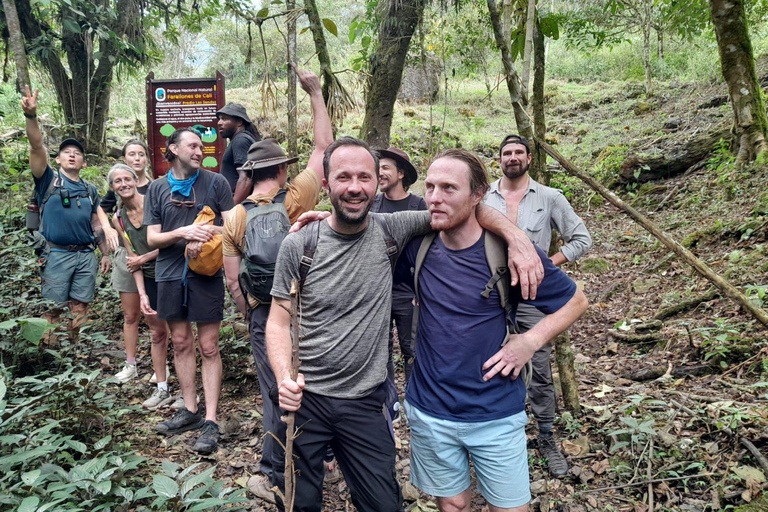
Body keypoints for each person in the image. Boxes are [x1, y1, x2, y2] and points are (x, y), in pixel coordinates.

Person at [265, 137, 545, 512]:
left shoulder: (391, 229)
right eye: (343, 177)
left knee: (383, 505)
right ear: (326, 185)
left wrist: (515, 235)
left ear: (377, 182)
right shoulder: (300, 245)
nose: (354, 187)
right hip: (305, 398)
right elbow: (278, 319)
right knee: (299, 502)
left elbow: (462, 207)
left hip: (365, 401)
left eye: (364, 177)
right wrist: (283, 376)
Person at [395, 149, 589, 512]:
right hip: (430, 407)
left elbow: (576, 301)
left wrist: (530, 341)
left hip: (494, 411)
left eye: (449, 188)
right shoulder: (416, 246)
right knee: (451, 505)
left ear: (477, 194)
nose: (435, 197)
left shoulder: (508, 252)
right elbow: (360, 228)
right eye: (431, 186)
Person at [222, 66, 332, 502]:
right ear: (283, 171)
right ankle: (316, 452)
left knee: (276, 387)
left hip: (264, 311)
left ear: (250, 173)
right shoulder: (298, 196)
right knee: (311, 379)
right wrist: (316, 92)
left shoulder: (235, 216)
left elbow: (233, 281)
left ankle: (274, 470)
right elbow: (324, 146)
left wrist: (251, 313)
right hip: (304, 307)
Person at [484, 134, 592, 477]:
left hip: (532, 295)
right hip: (490, 291)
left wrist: (547, 265)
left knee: (538, 366)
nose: (512, 157)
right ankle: (492, 431)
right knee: (488, 358)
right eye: (506, 153)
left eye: (518, 152)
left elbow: (582, 239)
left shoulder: (549, 196)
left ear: (529, 158)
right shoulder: (484, 196)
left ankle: (546, 435)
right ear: (498, 159)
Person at [144, 127, 234, 454]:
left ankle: (210, 419)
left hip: (205, 274)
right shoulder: (156, 188)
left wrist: (207, 235)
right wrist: (184, 232)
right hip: (168, 274)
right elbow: (152, 237)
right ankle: (190, 409)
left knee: (209, 346)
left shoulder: (216, 183)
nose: (199, 151)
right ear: (173, 149)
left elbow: (235, 227)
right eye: (192, 145)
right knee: (180, 342)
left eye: (202, 146)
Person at [21, 86, 113, 342]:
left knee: (80, 306)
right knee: (53, 309)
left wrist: (104, 253)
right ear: (58, 160)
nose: (72, 155)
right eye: (66, 153)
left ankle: (73, 352)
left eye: (77, 154)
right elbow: (36, 146)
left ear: (84, 162)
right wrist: (31, 116)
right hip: (56, 254)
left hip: (85, 255)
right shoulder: (47, 180)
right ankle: (52, 356)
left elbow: (96, 224)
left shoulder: (90, 189)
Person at [106, 141, 171, 385]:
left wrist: (145, 257)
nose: (123, 184)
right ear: (112, 188)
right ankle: (157, 375)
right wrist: (142, 293)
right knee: (154, 327)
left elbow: (171, 242)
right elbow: (133, 260)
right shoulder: (118, 219)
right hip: (147, 276)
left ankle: (176, 372)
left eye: (127, 180)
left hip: (168, 269)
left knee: (175, 327)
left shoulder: (154, 203)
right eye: (117, 182)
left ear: (136, 181)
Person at [370, 146, 426, 413]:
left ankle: (416, 402)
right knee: (381, 351)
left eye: (385, 168)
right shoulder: (372, 205)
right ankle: (388, 404)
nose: (379, 173)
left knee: (411, 348)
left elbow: (431, 249)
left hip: (409, 291)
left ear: (401, 173)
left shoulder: (419, 206)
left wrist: (423, 287)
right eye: (378, 168)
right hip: (378, 289)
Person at [216, 103, 262, 204]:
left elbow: (246, 178)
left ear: (239, 122)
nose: (219, 122)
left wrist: (232, 210)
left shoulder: (240, 140)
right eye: (219, 119)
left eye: (224, 119)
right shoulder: (242, 139)